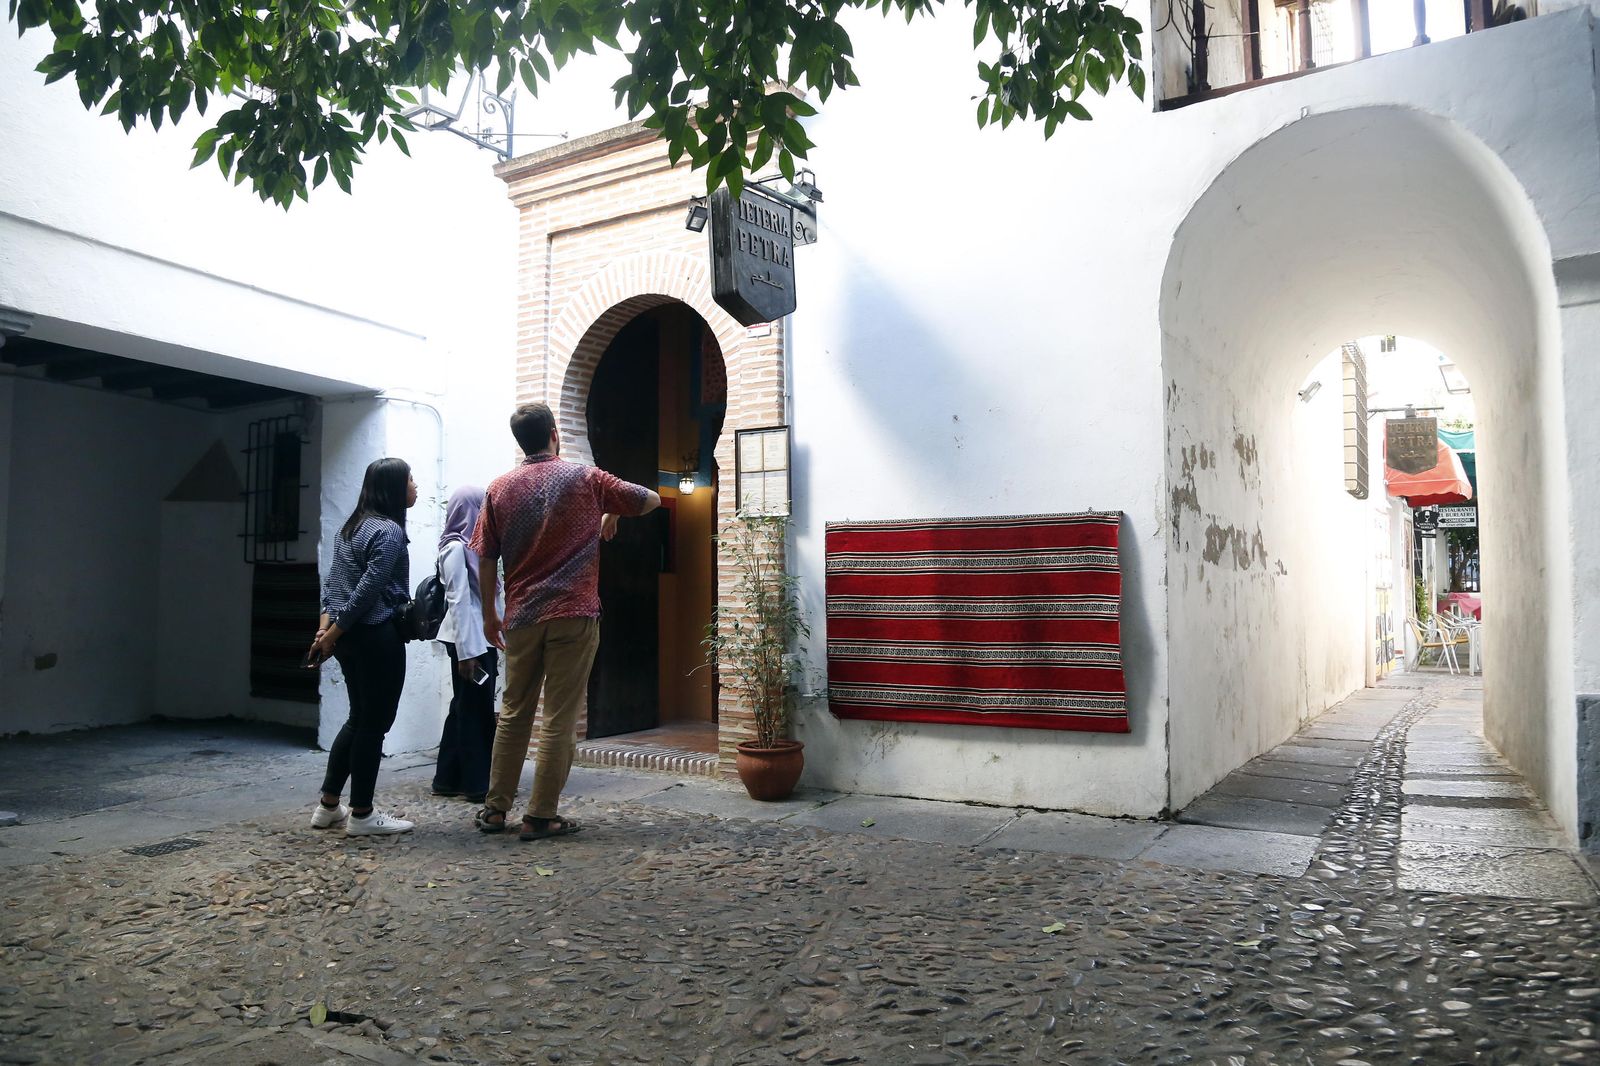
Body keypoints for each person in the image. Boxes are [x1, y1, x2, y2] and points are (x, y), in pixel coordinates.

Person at [471, 402, 659, 841]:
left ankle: (496, 809)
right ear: (555, 433)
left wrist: (488, 613)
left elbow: (484, 554)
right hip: (574, 613)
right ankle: (540, 815)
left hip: (520, 616)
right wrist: (612, 510)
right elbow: (647, 499)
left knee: (514, 711)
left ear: (522, 441)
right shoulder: (586, 478)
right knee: (558, 716)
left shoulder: (499, 488)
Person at [306, 457, 418, 837]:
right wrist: (333, 633)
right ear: (393, 489)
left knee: (357, 719)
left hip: (348, 638)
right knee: (374, 726)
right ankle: (363, 814)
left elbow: (334, 586)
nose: (415, 487)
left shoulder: (351, 527)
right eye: (409, 480)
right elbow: (367, 592)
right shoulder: (388, 531)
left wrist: (327, 632)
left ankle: (328, 806)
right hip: (374, 635)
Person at [430, 485, 496, 803]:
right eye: (481, 507)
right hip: (470, 641)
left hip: (476, 638)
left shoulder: (473, 545)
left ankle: (447, 778)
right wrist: (469, 653)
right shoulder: (456, 548)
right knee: (475, 711)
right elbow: (459, 600)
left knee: (464, 708)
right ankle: (476, 784)